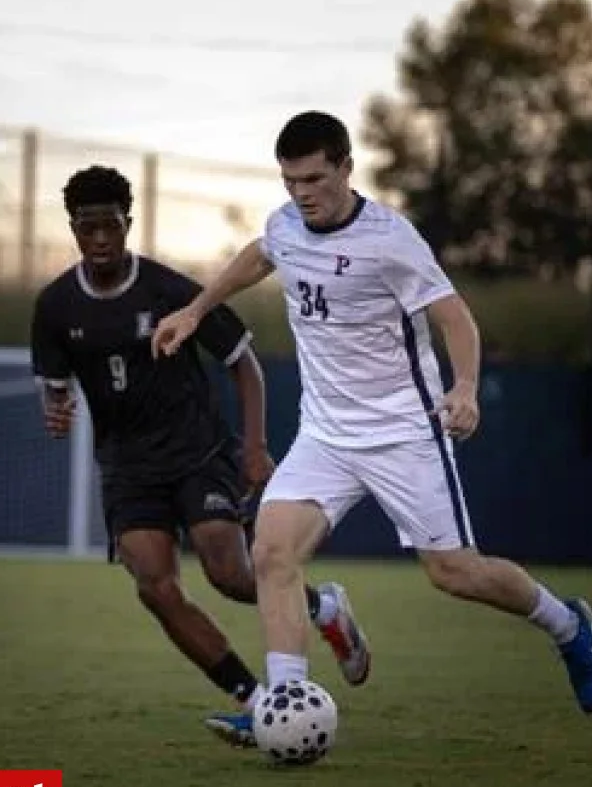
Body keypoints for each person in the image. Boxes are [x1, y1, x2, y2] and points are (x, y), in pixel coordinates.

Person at [152, 111, 592, 718]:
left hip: (403, 433)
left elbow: (455, 318)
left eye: (315, 178)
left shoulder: (391, 240)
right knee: (270, 554)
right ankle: (285, 703)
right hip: (325, 435)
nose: (302, 193)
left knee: (454, 573)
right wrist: (195, 309)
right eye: (291, 181)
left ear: (345, 167)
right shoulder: (286, 224)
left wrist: (466, 386)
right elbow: (261, 255)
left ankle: (567, 626)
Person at [29, 165, 370, 747]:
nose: (102, 239)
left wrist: (256, 448)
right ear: (74, 230)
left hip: (196, 450)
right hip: (126, 467)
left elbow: (244, 363)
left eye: (111, 225)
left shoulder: (168, 290)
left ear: (127, 224)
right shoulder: (56, 306)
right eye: (89, 228)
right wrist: (56, 408)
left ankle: (324, 607)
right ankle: (258, 701)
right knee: (154, 587)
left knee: (230, 573)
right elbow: (55, 387)